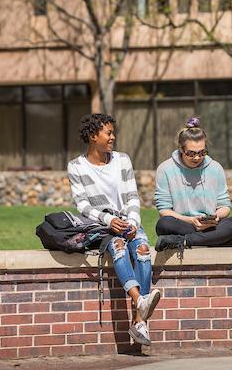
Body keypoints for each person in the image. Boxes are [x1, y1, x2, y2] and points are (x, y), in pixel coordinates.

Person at [67, 113, 160, 346]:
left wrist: (134, 223)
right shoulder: (76, 166)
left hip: (128, 222)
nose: (113, 137)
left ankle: (139, 321)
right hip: (102, 226)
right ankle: (140, 301)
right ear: (92, 136)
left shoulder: (122, 160)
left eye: (112, 132)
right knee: (118, 248)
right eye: (108, 133)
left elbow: (132, 196)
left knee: (142, 251)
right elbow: (83, 206)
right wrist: (109, 221)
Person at [154, 116, 232, 255]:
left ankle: (185, 241)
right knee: (164, 224)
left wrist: (215, 217)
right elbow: (164, 210)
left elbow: (225, 206)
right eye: (191, 153)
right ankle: (218, 240)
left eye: (202, 152)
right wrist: (191, 220)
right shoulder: (165, 169)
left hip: (211, 226)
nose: (197, 157)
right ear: (181, 149)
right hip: (184, 224)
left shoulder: (215, 168)